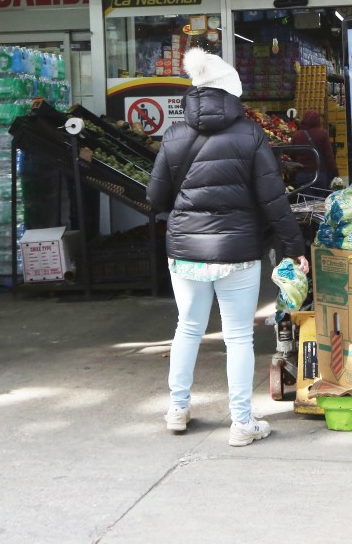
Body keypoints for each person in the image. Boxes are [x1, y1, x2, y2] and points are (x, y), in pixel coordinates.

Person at [147, 46, 308, 446]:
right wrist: (294, 246)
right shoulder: (250, 135)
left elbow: (155, 198)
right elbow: (274, 200)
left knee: (188, 328)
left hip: (185, 250)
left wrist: (186, 210)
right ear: (231, 94)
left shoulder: (174, 135)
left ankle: (178, 409)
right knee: (238, 336)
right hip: (237, 250)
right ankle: (241, 423)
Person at [289, 110, 338, 192]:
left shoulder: (296, 135)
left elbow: (292, 155)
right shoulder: (322, 134)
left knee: (304, 201)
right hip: (319, 174)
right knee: (319, 202)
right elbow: (328, 156)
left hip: (302, 174)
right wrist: (335, 172)